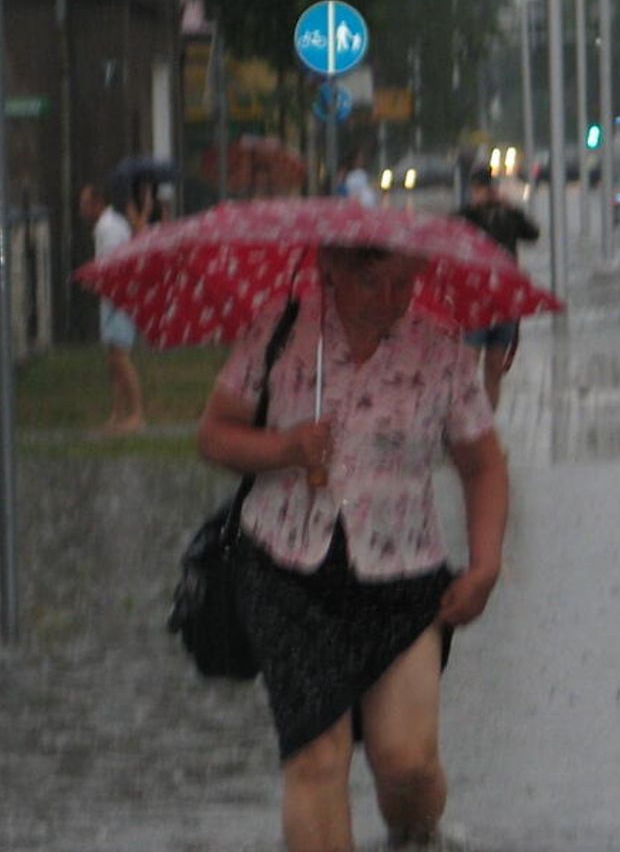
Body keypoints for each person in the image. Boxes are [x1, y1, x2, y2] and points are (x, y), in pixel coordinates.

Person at [197, 245, 509, 852]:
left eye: (403, 284)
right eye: (372, 283)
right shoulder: (282, 329)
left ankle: (418, 835)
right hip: (286, 571)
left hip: (404, 574)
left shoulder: (438, 350)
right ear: (329, 272)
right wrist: (284, 448)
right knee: (317, 756)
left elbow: (483, 466)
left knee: (408, 766)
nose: (391, 299)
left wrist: (486, 562)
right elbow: (213, 435)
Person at [457, 166, 540, 410]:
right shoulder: (467, 216)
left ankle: (486, 426)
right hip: (475, 300)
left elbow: (533, 233)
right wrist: (473, 208)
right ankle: (463, 424)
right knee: (467, 367)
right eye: (476, 189)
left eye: (484, 188)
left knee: (494, 368)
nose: (481, 193)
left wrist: (512, 208)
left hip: (504, 298)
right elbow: (447, 228)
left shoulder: (508, 214)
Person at [77, 182, 145, 435]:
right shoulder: (109, 225)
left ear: (96, 203)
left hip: (120, 299)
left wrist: (92, 279)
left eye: (84, 204)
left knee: (120, 356)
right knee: (113, 359)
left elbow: (113, 264)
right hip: (114, 298)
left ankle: (137, 413)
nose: (82, 210)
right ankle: (117, 414)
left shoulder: (108, 228)